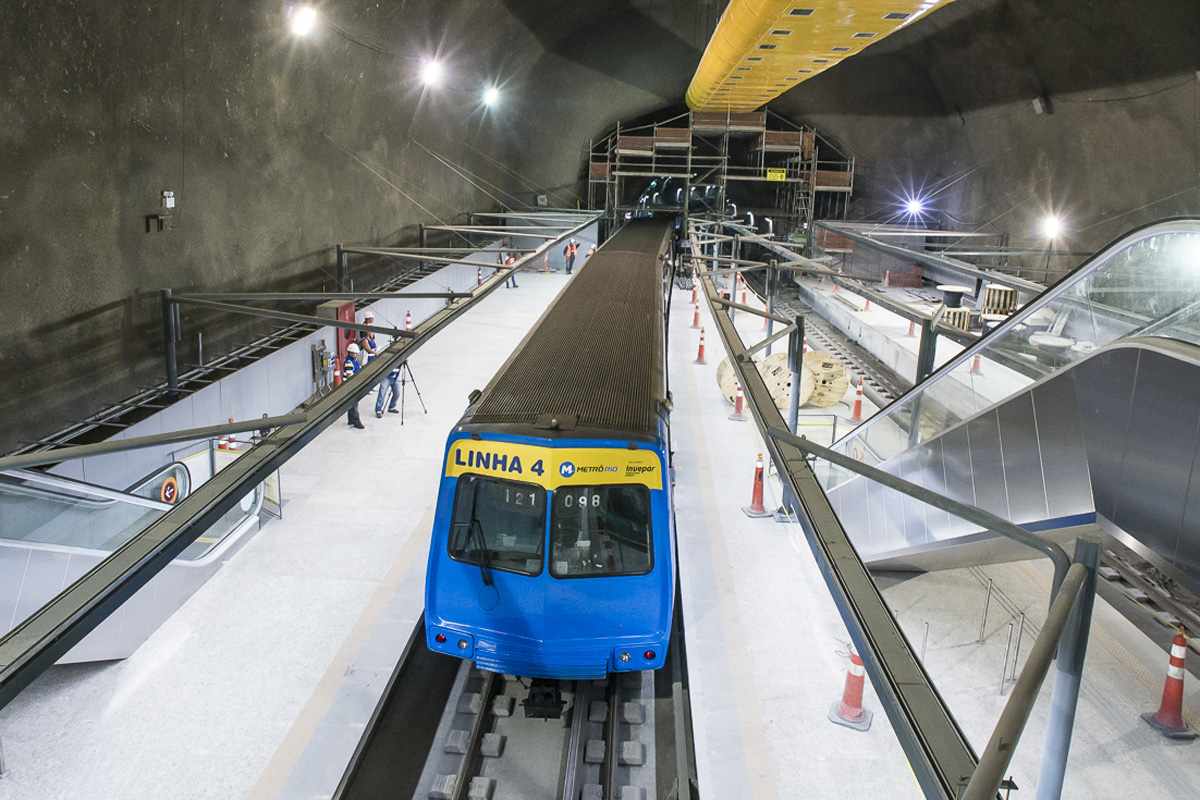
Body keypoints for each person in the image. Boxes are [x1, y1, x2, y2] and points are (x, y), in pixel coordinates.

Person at [344, 342, 365, 429]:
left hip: (352, 385)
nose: (355, 354)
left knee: (351, 404)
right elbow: (349, 376)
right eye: (354, 353)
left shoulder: (354, 360)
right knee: (354, 404)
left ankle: (350, 420)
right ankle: (356, 422)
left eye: (356, 353)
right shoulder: (349, 362)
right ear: (350, 352)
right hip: (350, 386)